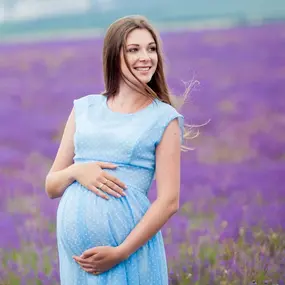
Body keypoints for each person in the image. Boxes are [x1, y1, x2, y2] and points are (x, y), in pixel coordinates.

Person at [45, 15, 192, 285]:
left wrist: (120, 252)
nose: (146, 57)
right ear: (114, 55)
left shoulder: (164, 118)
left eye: (151, 48)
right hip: (78, 264)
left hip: (128, 256)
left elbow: (169, 201)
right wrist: (78, 170)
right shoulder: (84, 108)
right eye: (133, 50)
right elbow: (52, 186)